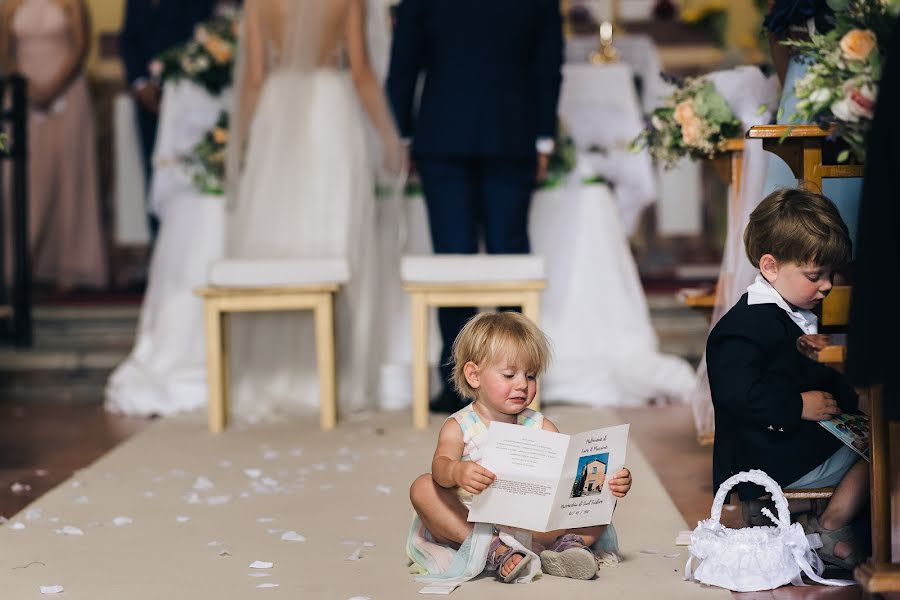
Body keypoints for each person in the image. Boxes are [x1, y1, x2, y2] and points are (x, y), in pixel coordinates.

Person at [224, 0, 405, 420]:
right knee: (334, 241)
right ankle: (336, 379)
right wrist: (390, 138)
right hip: (331, 115)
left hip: (276, 112)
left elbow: (253, 77)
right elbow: (361, 74)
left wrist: (243, 143)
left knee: (278, 241)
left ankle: (275, 376)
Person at [387, 0, 564, 413]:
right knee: (509, 253)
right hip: (512, 130)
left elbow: (404, 62)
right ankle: (516, 378)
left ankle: (455, 382)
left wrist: (404, 135)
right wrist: (542, 136)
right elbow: (547, 65)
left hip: (442, 131)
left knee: (453, 261)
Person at [707, 188, 868, 569]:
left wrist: (850, 399)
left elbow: (819, 375)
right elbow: (736, 395)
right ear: (770, 266)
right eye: (816, 275)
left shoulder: (797, 307)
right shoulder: (743, 326)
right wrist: (797, 405)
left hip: (793, 442)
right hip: (768, 454)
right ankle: (831, 527)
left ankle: (825, 526)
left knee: (876, 432)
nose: (827, 285)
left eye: (831, 274)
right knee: (888, 451)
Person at [407, 312, 632, 584]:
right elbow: (440, 466)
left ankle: (566, 547)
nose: (522, 384)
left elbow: (566, 480)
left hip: (533, 526)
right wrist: (457, 472)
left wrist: (609, 481)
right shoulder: (460, 425)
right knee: (423, 487)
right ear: (474, 375)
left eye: (531, 375)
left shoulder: (541, 425)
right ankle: (495, 551)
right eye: (509, 375)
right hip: (473, 524)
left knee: (599, 492)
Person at [0, 0, 107, 292]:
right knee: (18, 179)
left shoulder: (71, 2)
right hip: (22, 96)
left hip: (68, 93)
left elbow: (80, 47)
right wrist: (27, 87)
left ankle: (71, 268)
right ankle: (20, 266)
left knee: (70, 175)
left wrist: (53, 87)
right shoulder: (9, 4)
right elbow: (5, 52)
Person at [119, 0, 217, 238]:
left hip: (190, 99)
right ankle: (158, 244)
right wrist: (141, 83)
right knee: (154, 172)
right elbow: (128, 39)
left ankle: (190, 239)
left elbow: (203, 33)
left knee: (190, 173)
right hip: (148, 101)